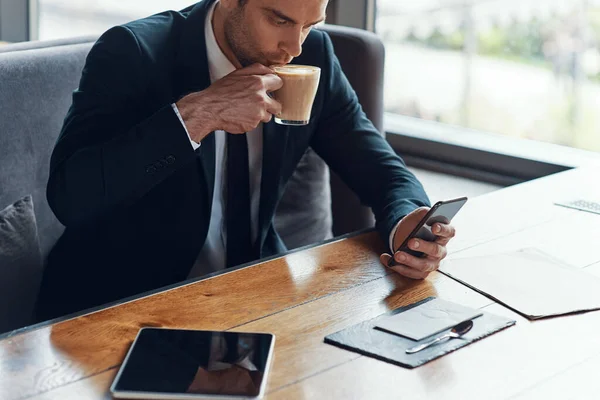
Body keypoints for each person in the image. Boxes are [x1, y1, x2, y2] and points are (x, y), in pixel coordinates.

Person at [35, 0, 456, 321]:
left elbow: (382, 170)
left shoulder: (315, 57)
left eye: (310, 25)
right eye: (279, 20)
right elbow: (71, 198)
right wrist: (193, 117)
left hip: (251, 296)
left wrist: (408, 225)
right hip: (118, 305)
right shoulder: (134, 53)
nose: (294, 48)